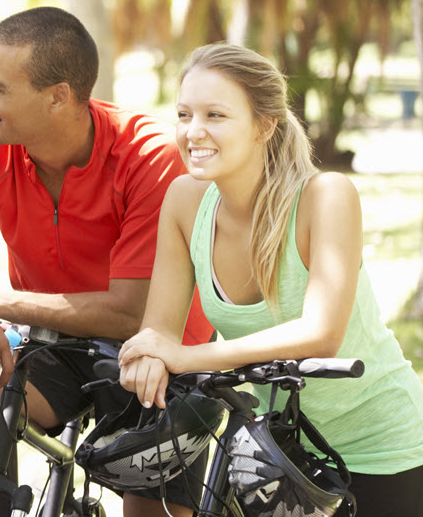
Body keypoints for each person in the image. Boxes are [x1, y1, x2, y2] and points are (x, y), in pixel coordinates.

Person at [0, 6, 214, 517]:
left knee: (148, 504)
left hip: (160, 348)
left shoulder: (150, 156)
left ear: (58, 97)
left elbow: (130, 312)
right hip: (52, 340)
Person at [119, 43, 423, 517]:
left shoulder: (327, 197)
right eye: (184, 114)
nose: (193, 131)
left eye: (215, 115)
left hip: (383, 448)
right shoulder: (184, 201)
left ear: (264, 125)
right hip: (277, 453)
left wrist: (184, 356)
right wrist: (151, 356)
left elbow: (320, 333)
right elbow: (160, 328)